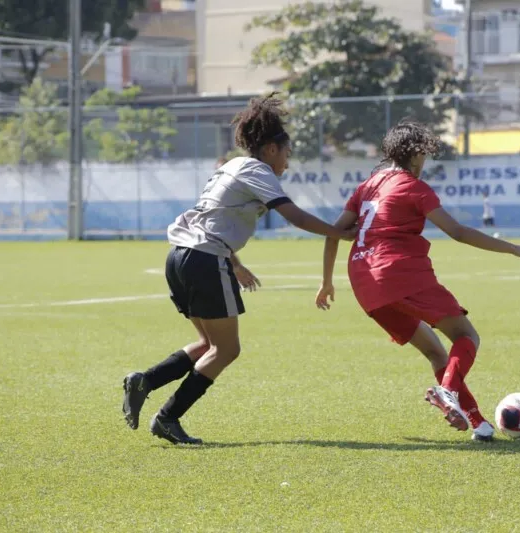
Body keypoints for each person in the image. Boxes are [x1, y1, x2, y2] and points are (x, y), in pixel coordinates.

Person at [121, 93, 355, 444]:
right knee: (227, 350)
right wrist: (338, 232)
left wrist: (236, 263)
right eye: (287, 155)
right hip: (204, 259)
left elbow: (215, 218)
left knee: (207, 343)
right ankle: (168, 417)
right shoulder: (258, 170)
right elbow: (293, 215)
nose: (287, 164)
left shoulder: (230, 166)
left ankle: (146, 381)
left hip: (181, 255)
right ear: (272, 149)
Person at [315, 122, 520, 442]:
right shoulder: (413, 187)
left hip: (365, 284)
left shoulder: (366, 186)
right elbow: (458, 232)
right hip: (400, 273)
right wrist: (515, 249)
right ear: (417, 153)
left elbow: (334, 232)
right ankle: (447, 391)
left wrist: (326, 282)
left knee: (437, 353)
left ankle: (479, 424)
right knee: (466, 336)